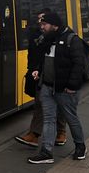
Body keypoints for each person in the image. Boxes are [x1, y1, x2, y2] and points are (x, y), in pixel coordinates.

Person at [27, 12, 87, 164]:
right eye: (41, 24)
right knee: (49, 119)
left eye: (44, 24)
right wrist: (38, 71)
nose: (42, 27)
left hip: (65, 89)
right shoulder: (48, 39)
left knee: (71, 118)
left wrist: (72, 86)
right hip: (47, 87)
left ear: (54, 25)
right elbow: (45, 60)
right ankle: (46, 152)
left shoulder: (71, 40)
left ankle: (80, 146)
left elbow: (79, 64)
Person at [15, 9, 67, 148]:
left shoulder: (59, 36)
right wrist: (32, 69)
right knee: (40, 104)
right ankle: (35, 135)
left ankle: (61, 132)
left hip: (56, 76)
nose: (40, 23)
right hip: (40, 73)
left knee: (60, 106)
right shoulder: (36, 34)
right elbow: (32, 53)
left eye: (42, 21)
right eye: (39, 20)